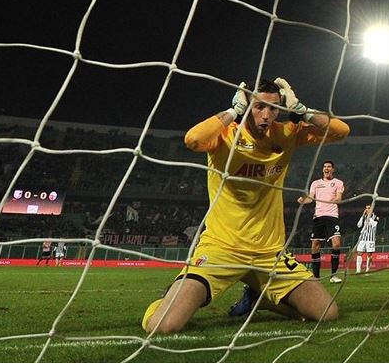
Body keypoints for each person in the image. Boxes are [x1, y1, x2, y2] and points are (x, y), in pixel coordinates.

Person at [142, 78, 349, 333]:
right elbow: (193, 139)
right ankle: (167, 300)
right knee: (163, 326)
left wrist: (301, 108)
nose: (266, 114)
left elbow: (342, 131)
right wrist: (233, 111)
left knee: (328, 313)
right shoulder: (225, 136)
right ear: (246, 104)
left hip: (268, 253)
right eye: (258, 106)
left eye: (273, 108)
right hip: (222, 249)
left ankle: (259, 299)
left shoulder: (285, 135)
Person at [298, 160, 345, 283]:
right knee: (315, 245)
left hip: (332, 216)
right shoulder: (315, 183)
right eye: (325, 166)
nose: (326, 168)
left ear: (333, 169)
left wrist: (333, 200)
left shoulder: (338, 183)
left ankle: (333, 275)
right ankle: (316, 277)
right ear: (322, 169)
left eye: (329, 167)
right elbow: (310, 198)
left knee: (336, 244)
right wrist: (303, 200)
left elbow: (339, 198)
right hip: (318, 216)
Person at [355, 204, 379, 273]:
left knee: (369, 254)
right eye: (366, 208)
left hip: (370, 238)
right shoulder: (364, 216)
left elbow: (374, 225)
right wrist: (362, 216)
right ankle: (358, 270)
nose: (367, 210)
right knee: (359, 253)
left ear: (372, 209)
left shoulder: (375, 217)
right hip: (362, 238)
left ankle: (367, 269)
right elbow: (359, 225)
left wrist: (369, 217)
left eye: (368, 208)